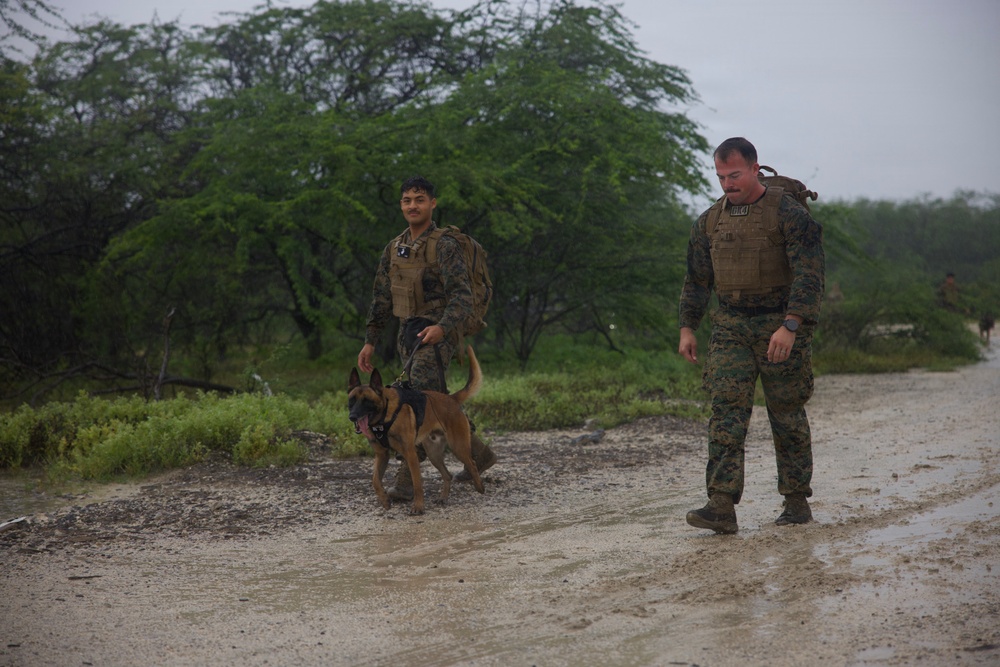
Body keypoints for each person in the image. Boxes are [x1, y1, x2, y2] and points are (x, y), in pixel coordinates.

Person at [677, 137, 825, 534]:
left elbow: (810, 275)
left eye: (735, 174)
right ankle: (720, 505)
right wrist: (688, 326)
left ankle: (795, 501)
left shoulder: (789, 215)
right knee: (725, 413)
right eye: (721, 176)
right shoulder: (709, 221)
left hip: (779, 323)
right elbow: (696, 281)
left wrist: (791, 325)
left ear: (756, 168)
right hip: (730, 325)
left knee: (786, 411)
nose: (728, 183)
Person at [358, 176, 497, 500]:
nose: (412, 206)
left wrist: (443, 328)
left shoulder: (444, 245)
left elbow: (462, 296)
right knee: (439, 403)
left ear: (432, 204)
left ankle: (406, 484)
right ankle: (479, 455)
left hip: (437, 334)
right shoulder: (394, 248)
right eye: (407, 200)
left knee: (414, 401)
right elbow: (381, 298)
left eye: (419, 199)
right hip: (408, 333)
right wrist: (370, 340)